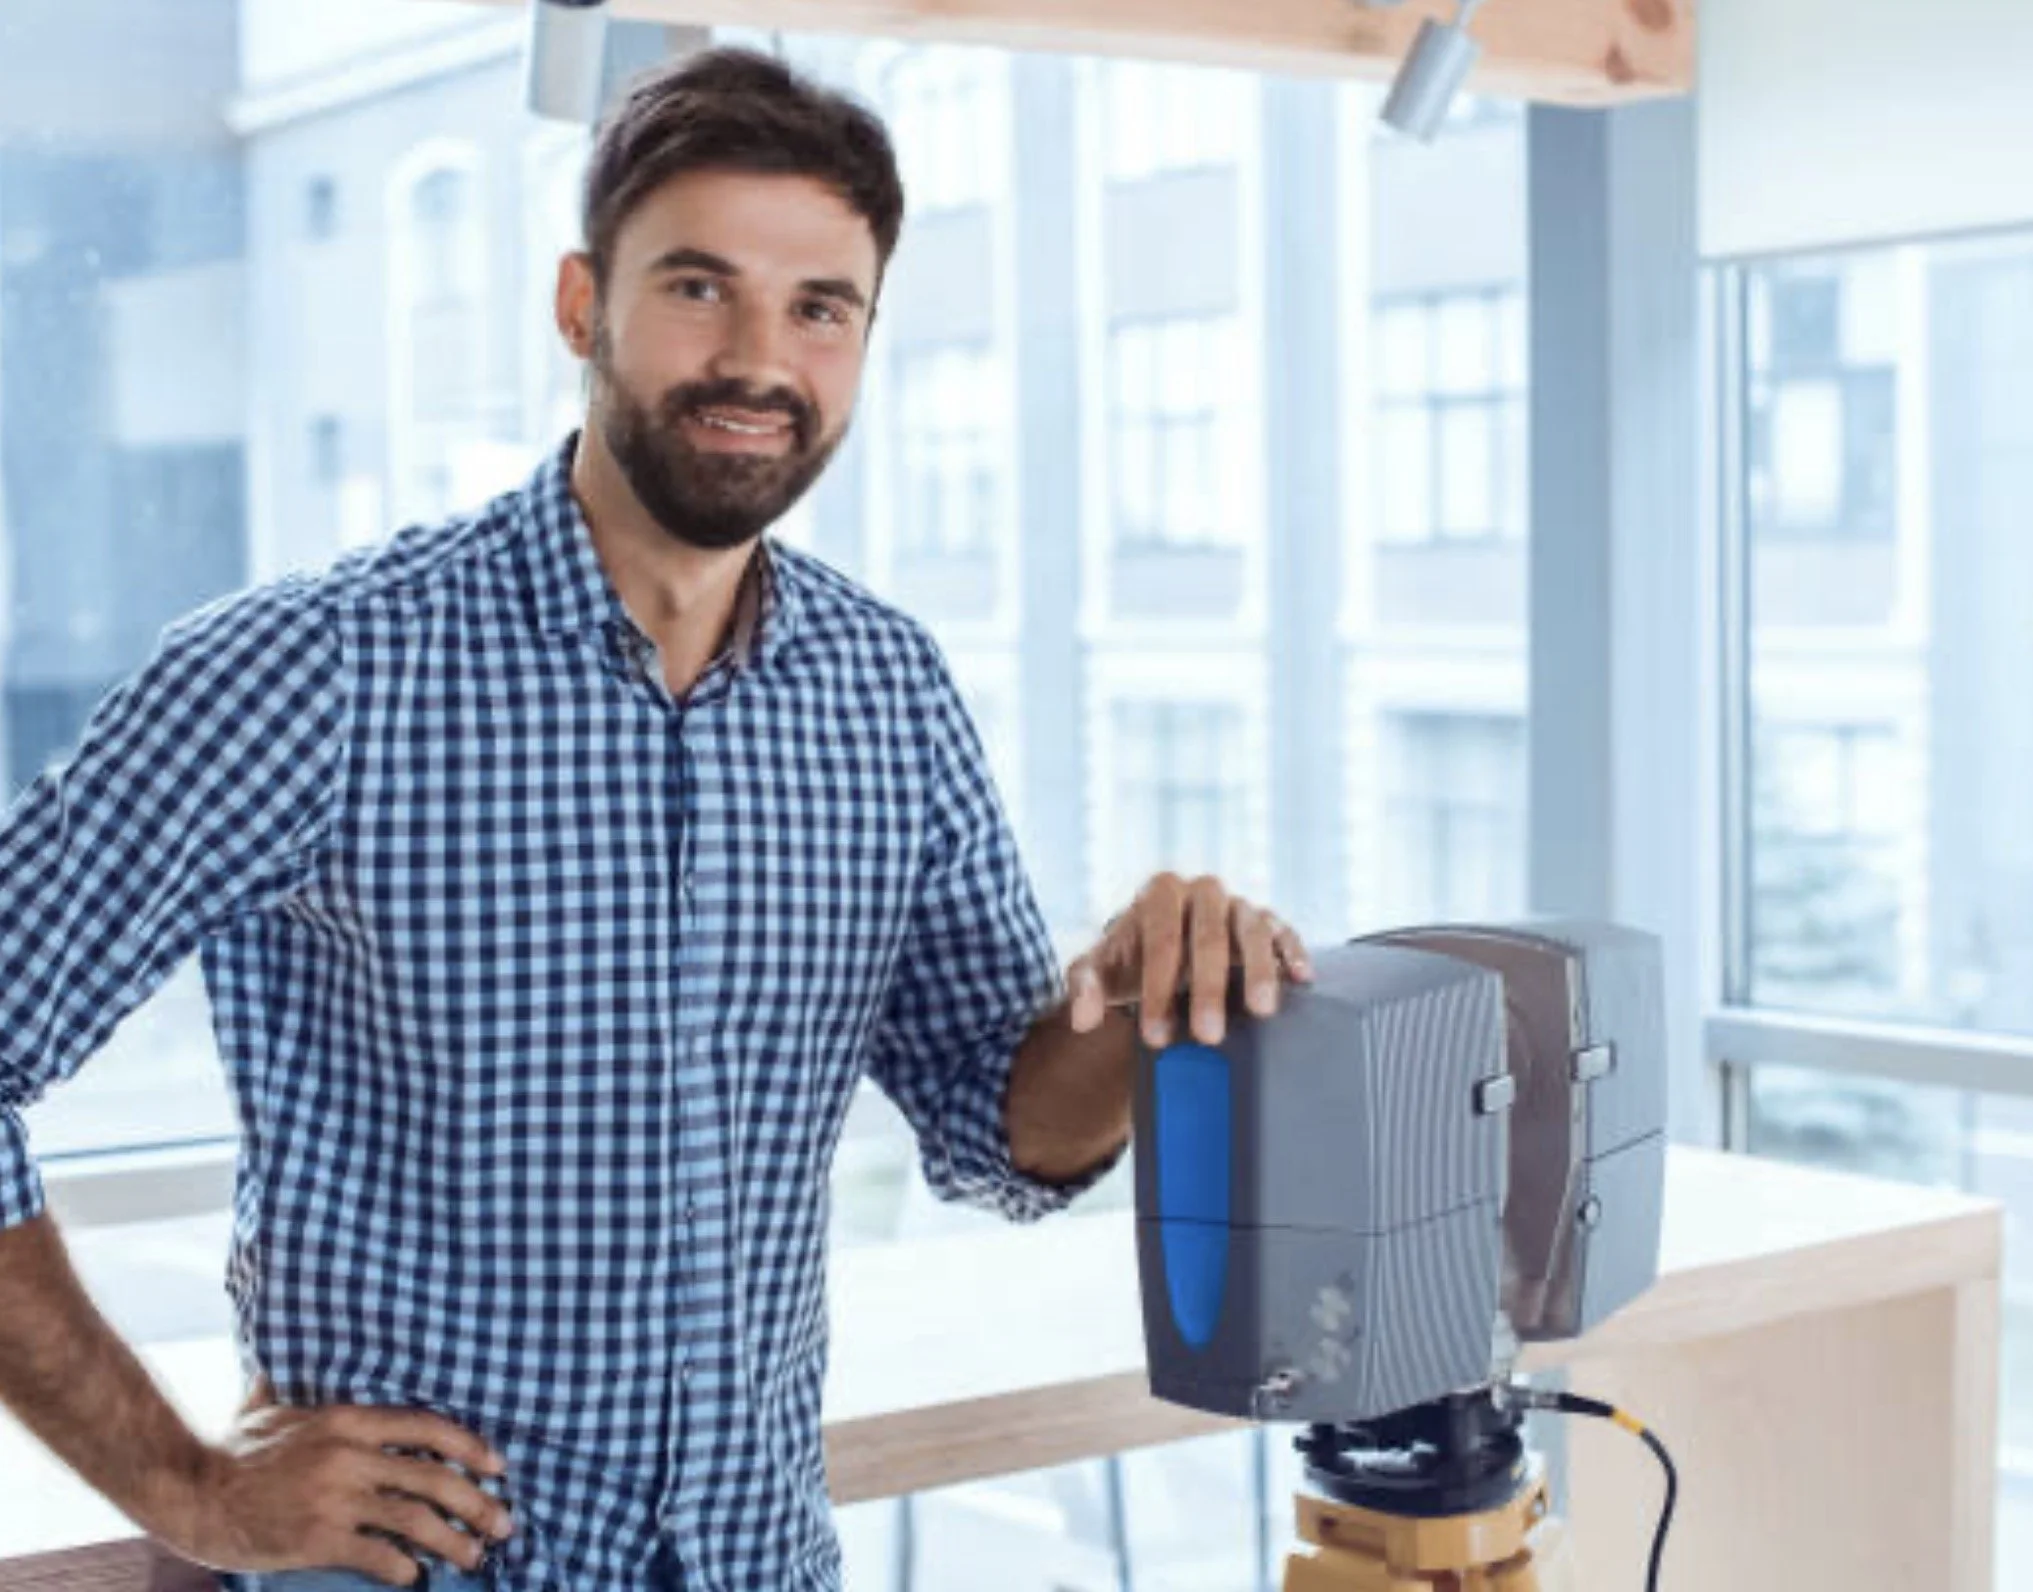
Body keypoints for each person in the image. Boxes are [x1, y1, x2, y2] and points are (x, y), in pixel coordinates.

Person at [0, 46, 1309, 1592]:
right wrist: (194, 1489)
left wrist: (1141, 995)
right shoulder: (322, 668)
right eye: (700, 288)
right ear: (580, 307)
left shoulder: (884, 691)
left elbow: (997, 1130)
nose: (760, 358)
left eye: (820, 307)